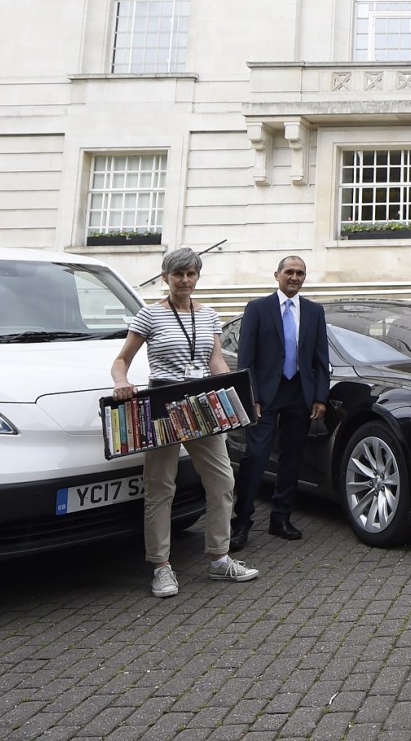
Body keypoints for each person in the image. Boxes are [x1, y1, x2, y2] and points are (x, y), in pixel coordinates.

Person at [111, 246, 259, 598]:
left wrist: (231, 393)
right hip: (162, 403)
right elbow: (121, 361)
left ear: (197, 277)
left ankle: (219, 558)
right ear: (166, 278)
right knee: (161, 487)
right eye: (178, 274)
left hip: (202, 403)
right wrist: (121, 382)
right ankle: (161, 566)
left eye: (190, 273)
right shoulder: (149, 316)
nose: (184, 279)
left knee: (223, 481)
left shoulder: (209, 316)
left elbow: (216, 361)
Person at [231, 254, 330, 549]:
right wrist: (252, 397)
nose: (295, 278)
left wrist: (320, 397)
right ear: (277, 275)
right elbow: (245, 359)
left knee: (292, 457)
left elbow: (320, 359)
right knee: (256, 456)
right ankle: (241, 521)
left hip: (300, 394)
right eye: (289, 272)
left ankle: (281, 517)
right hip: (265, 395)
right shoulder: (258, 308)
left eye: (300, 273)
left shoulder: (314, 311)